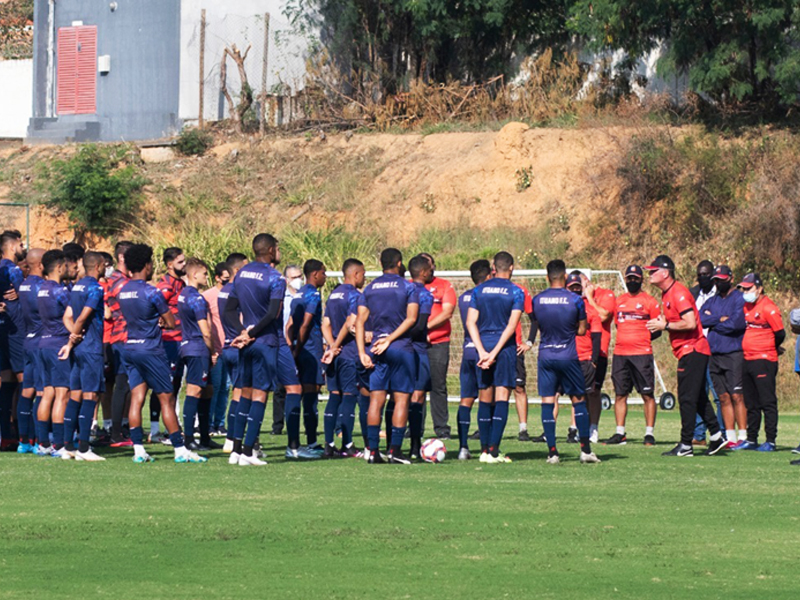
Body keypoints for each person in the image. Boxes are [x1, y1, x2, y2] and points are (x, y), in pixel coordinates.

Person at [118, 243, 205, 464]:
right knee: (166, 399)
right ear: (147, 265)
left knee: (137, 398)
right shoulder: (151, 291)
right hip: (150, 349)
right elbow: (170, 321)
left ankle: (138, 450)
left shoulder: (123, 291)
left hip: (130, 347)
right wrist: (160, 323)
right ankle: (179, 449)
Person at [644, 255, 726, 457]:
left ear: (665, 273)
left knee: (686, 398)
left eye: (653, 271)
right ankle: (716, 436)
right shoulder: (667, 294)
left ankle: (686, 444)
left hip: (693, 350)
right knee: (697, 396)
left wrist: (666, 326)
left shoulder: (678, 293)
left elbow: (690, 322)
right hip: (690, 350)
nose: (650, 274)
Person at [225, 233, 286, 466]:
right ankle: (249, 453)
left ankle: (236, 450)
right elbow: (272, 314)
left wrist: (242, 332)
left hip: (246, 343)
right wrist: (251, 333)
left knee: (244, 393)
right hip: (264, 342)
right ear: (271, 250)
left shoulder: (241, 274)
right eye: (277, 248)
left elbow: (229, 310)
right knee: (260, 395)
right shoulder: (275, 278)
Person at [532, 259, 600, 464]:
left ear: (547, 277)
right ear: (565, 276)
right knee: (578, 400)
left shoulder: (537, 300)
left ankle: (552, 452)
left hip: (546, 355)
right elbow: (581, 330)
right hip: (568, 356)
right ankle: (585, 451)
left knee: (547, 401)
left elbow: (538, 325)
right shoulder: (576, 300)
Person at [356, 248, 419, 464]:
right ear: (399, 263)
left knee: (376, 399)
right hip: (400, 347)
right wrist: (390, 339)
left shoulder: (370, 288)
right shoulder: (408, 287)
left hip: (374, 349)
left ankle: (373, 451)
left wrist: (361, 353)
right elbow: (411, 319)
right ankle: (394, 451)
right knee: (401, 398)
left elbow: (359, 322)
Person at [465, 251, 523, 464]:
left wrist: (481, 351)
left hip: (483, 345)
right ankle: (494, 450)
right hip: (503, 348)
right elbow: (511, 326)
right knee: (502, 397)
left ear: (493, 268)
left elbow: (471, 322)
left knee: (484, 396)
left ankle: (483, 451)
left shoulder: (478, 290)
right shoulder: (516, 292)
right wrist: (495, 352)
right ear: (512, 268)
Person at [606, 265, 661, 445]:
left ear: (641, 280)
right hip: (621, 354)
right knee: (620, 394)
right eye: (629, 278)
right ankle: (620, 432)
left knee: (647, 394)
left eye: (635, 278)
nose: (632, 281)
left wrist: (641, 338)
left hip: (641, 354)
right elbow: (617, 324)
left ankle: (649, 433)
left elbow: (657, 329)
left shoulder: (650, 301)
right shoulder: (619, 301)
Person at [62, 251, 106, 461]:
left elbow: (67, 316)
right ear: (98, 266)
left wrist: (73, 337)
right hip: (90, 348)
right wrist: (74, 339)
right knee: (91, 396)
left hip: (80, 348)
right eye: (105, 265)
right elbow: (81, 317)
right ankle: (84, 448)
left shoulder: (77, 286)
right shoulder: (95, 288)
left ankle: (68, 446)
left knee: (76, 394)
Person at [321, 258, 366, 458]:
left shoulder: (333, 294)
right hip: (347, 354)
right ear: (355, 274)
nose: (363, 278)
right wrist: (336, 346)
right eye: (363, 274)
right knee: (349, 397)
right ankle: (348, 445)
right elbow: (350, 324)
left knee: (334, 396)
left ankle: (329, 444)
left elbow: (325, 324)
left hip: (335, 355)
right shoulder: (355, 296)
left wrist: (331, 346)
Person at [699, 265, 747, 448]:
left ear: (730, 278)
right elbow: (701, 318)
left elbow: (736, 324)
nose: (718, 283)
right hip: (714, 353)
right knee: (723, 397)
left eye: (721, 279)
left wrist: (715, 321)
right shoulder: (712, 300)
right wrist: (720, 318)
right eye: (716, 280)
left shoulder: (739, 299)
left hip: (733, 352)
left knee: (737, 395)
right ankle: (730, 437)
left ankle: (743, 437)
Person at [735, 273, 785, 452]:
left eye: (749, 288)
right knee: (751, 402)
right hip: (748, 359)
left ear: (759, 288)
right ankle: (751, 439)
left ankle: (770, 440)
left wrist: (770, 347)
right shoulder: (747, 306)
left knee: (767, 401)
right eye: (744, 288)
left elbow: (780, 333)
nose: (745, 291)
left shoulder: (769, 308)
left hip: (764, 360)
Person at [177, 258, 218, 451]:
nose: (206, 277)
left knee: (206, 390)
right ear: (194, 275)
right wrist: (212, 351)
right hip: (197, 348)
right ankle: (189, 438)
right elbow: (206, 330)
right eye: (204, 274)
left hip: (187, 346)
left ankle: (204, 436)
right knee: (194, 391)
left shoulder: (183, 295)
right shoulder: (196, 298)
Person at [35, 250, 72, 458]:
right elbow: (71, 314)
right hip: (59, 345)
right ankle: (59, 445)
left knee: (47, 393)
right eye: (66, 265)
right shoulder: (60, 291)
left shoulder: (41, 289)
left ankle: (43, 443)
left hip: (43, 343)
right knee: (62, 394)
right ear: (59, 267)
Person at [288, 260, 328, 453]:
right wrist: (298, 349)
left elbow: (289, 324)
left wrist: (291, 345)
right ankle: (311, 442)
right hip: (310, 350)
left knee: (297, 393)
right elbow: (305, 324)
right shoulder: (312, 294)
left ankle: (294, 442)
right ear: (314, 274)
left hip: (298, 348)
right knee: (311, 396)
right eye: (323, 273)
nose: (325, 277)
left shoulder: (298, 295)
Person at [455, 259, 491, 459]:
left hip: (467, 351)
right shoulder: (486, 296)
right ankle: (486, 448)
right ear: (488, 276)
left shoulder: (463, 297)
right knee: (486, 399)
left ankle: (463, 447)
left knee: (466, 400)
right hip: (482, 351)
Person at [149, 247, 186, 442]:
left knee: (176, 384)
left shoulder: (180, 283)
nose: (184, 265)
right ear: (170, 264)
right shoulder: (166, 285)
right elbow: (154, 306)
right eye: (180, 262)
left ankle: (171, 427)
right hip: (168, 341)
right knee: (165, 386)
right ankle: (156, 429)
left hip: (180, 339)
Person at [420, 253, 456, 440]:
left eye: (429, 264)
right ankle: (414, 427)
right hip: (416, 344)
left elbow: (447, 312)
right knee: (416, 387)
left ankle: (441, 429)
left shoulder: (444, 285)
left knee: (438, 386)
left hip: (438, 343)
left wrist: (424, 328)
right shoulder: (411, 285)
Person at [565, 271, 603, 440]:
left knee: (588, 394)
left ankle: (589, 430)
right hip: (567, 359)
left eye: (577, 287)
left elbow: (597, 336)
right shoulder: (561, 308)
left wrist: (594, 360)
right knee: (568, 395)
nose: (574, 290)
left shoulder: (590, 311)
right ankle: (575, 430)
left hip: (585, 359)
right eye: (571, 287)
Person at [689, 260, 723, 444]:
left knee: (718, 395)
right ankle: (699, 435)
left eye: (706, 274)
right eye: (699, 274)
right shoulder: (692, 293)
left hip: (715, 348)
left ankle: (719, 434)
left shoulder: (720, 294)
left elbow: (724, 318)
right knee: (698, 392)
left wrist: (713, 318)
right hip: (695, 348)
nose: (702, 277)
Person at [581, 273, 616, 443]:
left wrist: (589, 298)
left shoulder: (606, 294)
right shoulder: (575, 299)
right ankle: (577, 428)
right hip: (577, 353)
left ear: (587, 283)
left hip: (597, 352)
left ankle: (593, 428)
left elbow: (603, 316)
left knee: (593, 392)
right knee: (577, 392)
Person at [218, 253, 248, 455]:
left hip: (226, 346)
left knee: (234, 393)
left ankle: (232, 438)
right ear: (236, 271)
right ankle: (233, 438)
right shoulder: (239, 291)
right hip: (238, 347)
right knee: (241, 394)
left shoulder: (223, 291)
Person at [16, 248, 44, 454]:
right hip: (41, 342)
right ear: (42, 265)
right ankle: (40, 441)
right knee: (42, 391)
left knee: (27, 391)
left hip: (27, 339)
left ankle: (23, 440)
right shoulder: (43, 287)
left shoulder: (24, 285)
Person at [105, 240, 133, 447]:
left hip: (122, 338)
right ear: (122, 258)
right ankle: (115, 433)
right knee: (121, 385)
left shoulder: (119, 279)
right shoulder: (118, 281)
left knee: (125, 386)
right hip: (121, 337)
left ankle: (120, 429)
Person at [0, 230, 26, 451]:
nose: (23, 247)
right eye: (21, 244)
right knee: (24, 380)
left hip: (4, 328)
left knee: (7, 380)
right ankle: (28, 435)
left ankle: (7, 434)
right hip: (16, 328)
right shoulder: (13, 270)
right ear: (11, 246)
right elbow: (25, 299)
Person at [407, 255, 434, 460]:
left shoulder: (402, 290)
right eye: (430, 269)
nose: (432, 271)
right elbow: (418, 325)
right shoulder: (424, 295)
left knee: (396, 396)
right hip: (415, 349)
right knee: (417, 397)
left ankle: (392, 446)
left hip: (393, 347)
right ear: (423, 272)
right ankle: (415, 448)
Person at [271, 264, 302, 436]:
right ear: (287, 279)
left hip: (301, 343)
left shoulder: (305, 296)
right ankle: (277, 425)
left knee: (300, 386)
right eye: (294, 277)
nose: (298, 280)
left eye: (299, 276)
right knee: (280, 387)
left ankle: (299, 424)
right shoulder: (281, 297)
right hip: (282, 343)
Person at [203, 262, 230, 436]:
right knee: (216, 386)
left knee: (226, 387)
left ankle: (220, 423)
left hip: (231, 346)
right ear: (218, 278)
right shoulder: (208, 296)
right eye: (225, 279)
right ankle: (209, 423)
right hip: (216, 347)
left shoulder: (234, 294)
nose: (228, 282)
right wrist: (211, 349)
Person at [512, 277, 535, 441]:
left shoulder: (519, 290)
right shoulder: (485, 290)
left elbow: (535, 318)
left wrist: (529, 342)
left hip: (514, 348)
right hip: (491, 348)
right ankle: (486, 426)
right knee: (490, 388)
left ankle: (523, 429)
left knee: (519, 387)